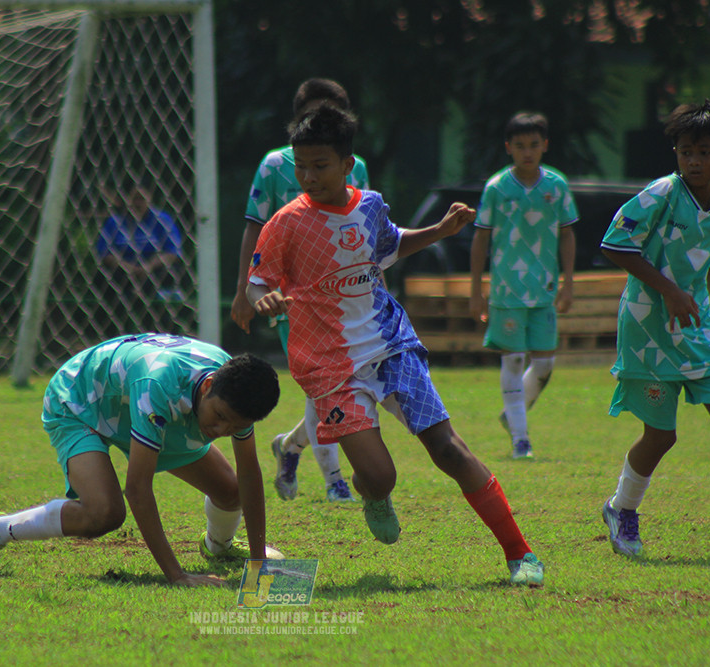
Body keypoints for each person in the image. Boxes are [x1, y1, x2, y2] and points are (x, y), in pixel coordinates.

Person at [248, 104, 544, 586]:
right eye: (301, 166)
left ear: (347, 164)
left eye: (319, 165)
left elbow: (389, 245)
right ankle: (376, 495)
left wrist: (439, 232)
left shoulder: (370, 205)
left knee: (449, 450)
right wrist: (263, 299)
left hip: (391, 344)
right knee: (380, 478)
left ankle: (520, 554)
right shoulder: (285, 223)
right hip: (330, 367)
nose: (308, 176)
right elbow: (255, 283)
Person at [598, 99, 710, 561]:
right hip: (647, 326)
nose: (694, 161)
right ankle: (621, 509)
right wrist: (670, 291)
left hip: (697, 327)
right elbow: (615, 245)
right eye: (685, 152)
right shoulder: (661, 193)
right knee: (661, 435)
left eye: (704, 152)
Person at [0, 333, 284, 587]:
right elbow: (138, 489)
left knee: (230, 492)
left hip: (136, 405)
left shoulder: (240, 390)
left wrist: (259, 564)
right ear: (209, 386)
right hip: (79, 401)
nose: (220, 430)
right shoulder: (159, 385)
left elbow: (249, 475)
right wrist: (177, 575)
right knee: (104, 513)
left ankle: (220, 546)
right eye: (219, 417)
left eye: (235, 427)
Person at [232, 78, 371, 503]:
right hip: (290, 295)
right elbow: (255, 226)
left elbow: (364, 225)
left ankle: (290, 446)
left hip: (342, 295)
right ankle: (334, 481)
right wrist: (244, 290)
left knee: (339, 381)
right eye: (313, 113)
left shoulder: (356, 166)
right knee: (320, 384)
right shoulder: (275, 165)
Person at [469, 111, 578, 459]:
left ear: (545, 146)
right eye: (520, 146)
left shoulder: (557, 185)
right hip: (506, 291)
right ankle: (521, 439)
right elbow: (480, 240)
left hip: (544, 288)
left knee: (545, 364)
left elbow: (567, 234)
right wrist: (476, 290)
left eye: (534, 145)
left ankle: (512, 414)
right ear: (508, 148)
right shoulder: (497, 188)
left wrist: (568, 282)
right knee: (513, 360)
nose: (527, 152)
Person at [96, 184, 183, 333]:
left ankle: (157, 327)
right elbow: (105, 254)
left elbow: (172, 252)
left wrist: (147, 268)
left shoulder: (162, 219)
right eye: (134, 199)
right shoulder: (115, 221)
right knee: (106, 279)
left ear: (149, 199)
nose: (138, 203)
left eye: (141, 199)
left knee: (162, 277)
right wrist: (129, 268)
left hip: (153, 267)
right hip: (123, 268)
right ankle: (113, 330)